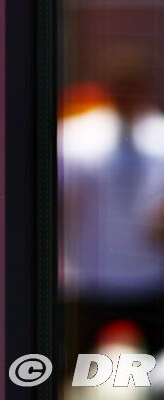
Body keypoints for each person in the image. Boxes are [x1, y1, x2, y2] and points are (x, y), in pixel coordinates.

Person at [59, 46, 164, 361]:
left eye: (135, 85)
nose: (129, 94)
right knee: (67, 366)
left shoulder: (158, 135)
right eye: (123, 85)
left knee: (153, 373)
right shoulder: (76, 136)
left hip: (150, 278)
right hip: (89, 278)